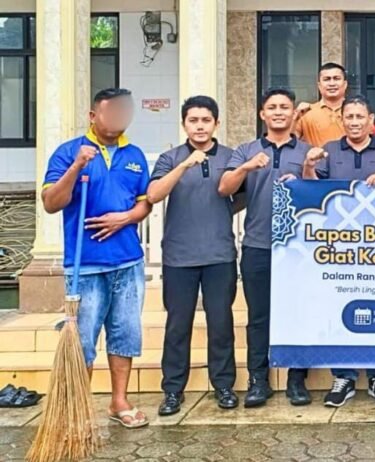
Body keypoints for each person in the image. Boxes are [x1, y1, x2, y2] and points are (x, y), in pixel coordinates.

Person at [41, 88, 152, 428]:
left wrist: (125, 218)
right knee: (82, 340)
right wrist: (77, 166)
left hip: (128, 262)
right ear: (93, 116)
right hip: (85, 265)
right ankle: (77, 409)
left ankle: (119, 402)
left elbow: (144, 203)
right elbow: (51, 203)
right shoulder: (68, 152)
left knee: (125, 334)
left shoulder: (135, 155)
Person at [301, 96, 375, 406]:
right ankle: (343, 376)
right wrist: (308, 165)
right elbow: (311, 190)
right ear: (342, 120)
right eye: (349, 117)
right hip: (338, 246)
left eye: (360, 116)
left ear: (371, 120)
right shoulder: (329, 150)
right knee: (337, 307)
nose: (355, 122)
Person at [219, 88, 315, 408]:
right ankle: (258, 380)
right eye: (272, 107)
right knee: (259, 317)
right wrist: (246, 167)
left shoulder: (307, 151)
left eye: (284, 107)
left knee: (299, 313)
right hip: (257, 244)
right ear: (262, 114)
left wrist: (305, 175)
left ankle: (296, 380)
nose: (278, 112)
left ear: (293, 113)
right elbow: (225, 188)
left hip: (299, 248)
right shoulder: (246, 150)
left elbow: (320, 195)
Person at [149, 96, 241, 416]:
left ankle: (224, 386)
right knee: (178, 326)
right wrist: (185, 165)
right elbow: (154, 194)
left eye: (206, 120)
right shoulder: (170, 157)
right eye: (193, 120)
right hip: (179, 256)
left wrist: (221, 211)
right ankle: (173, 390)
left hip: (219, 254)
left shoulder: (230, 156)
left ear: (217, 123)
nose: (200, 126)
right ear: (184, 124)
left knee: (221, 323)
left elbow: (241, 195)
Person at [294, 62, 349, 148]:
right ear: (319, 85)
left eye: (336, 78)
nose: (332, 83)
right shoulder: (306, 112)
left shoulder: (355, 113)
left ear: (345, 84)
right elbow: (289, 142)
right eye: (327, 79)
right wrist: (294, 118)